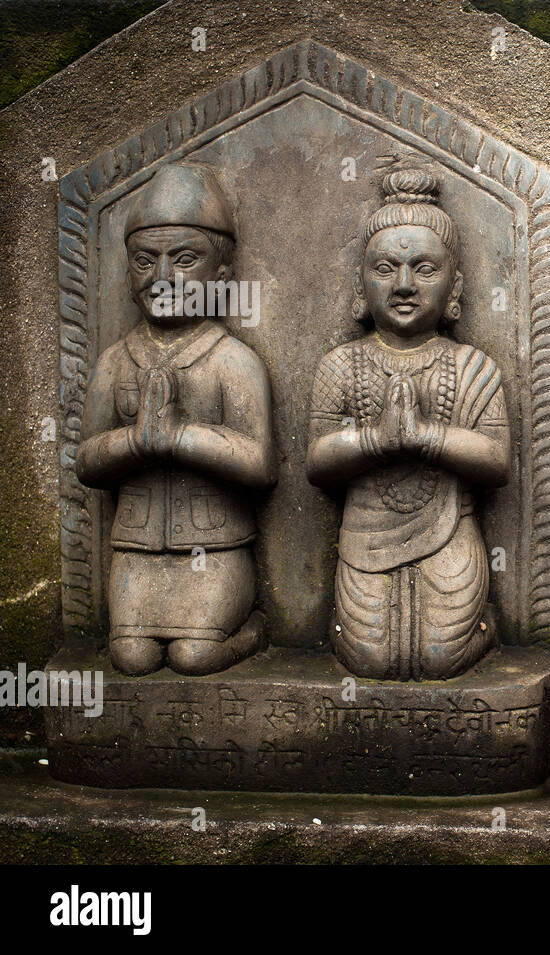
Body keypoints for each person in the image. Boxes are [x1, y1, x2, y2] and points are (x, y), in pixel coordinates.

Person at [307, 166, 510, 681]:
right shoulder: (341, 365)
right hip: (364, 537)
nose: (403, 285)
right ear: (361, 283)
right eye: (385, 268)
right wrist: (375, 440)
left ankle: (479, 627)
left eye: (423, 269)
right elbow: (317, 462)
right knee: (371, 661)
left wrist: (427, 438)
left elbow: (496, 461)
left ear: (454, 285)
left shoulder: (472, 367)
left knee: (441, 659)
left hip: (449, 533)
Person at [76, 162, 276, 676]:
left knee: (195, 655)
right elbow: (86, 462)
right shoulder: (116, 361)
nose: (162, 278)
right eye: (145, 260)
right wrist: (136, 443)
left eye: (184, 259)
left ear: (221, 276)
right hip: (138, 549)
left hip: (214, 546)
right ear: (127, 274)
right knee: (131, 658)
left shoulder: (233, 361)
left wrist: (181, 436)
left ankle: (249, 632)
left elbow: (260, 464)